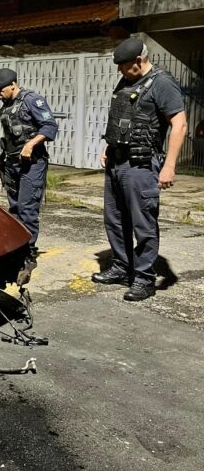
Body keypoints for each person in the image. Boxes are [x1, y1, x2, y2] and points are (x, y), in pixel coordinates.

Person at [92, 37, 187, 301]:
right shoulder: (127, 81)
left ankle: (144, 279)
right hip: (117, 163)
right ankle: (122, 267)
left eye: (123, 65)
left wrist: (169, 166)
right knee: (115, 220)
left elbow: (179, 124)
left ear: (138, 61)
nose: (119, 71)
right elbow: (122, 118)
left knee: (143, 224)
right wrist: (109, 148)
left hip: (142, 166)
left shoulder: (162, 83)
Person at [0, 68, 58, 276]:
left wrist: (31, 144)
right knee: (15, 209)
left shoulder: (32, 100)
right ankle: (16, 249)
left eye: (0, 90)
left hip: (32, 164)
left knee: (28, 210)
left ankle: (28, 254)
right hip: (11, 164)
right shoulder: (6, 105)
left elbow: (49, 126)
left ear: (13, 84)